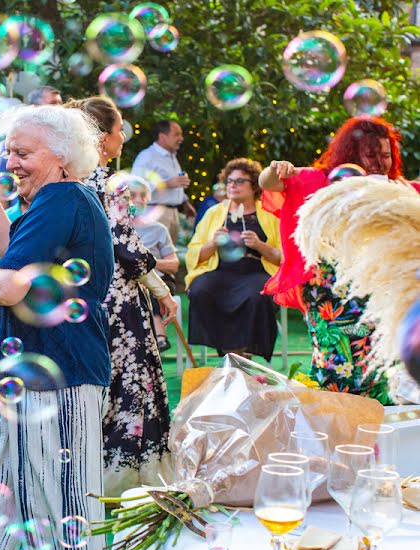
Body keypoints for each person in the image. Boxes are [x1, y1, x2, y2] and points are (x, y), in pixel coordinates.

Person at [0, 104, 112, 550]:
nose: (9, 163)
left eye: (23, 153)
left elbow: (4, 282)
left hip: (57, 376)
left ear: (61, 158)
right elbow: (14, 256)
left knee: (63, 505)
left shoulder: (64, 197)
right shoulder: (52, 202)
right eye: (8, 153)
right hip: (23, 380)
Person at [260, 116, 420, 402]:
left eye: (386, 155)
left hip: (378, 285)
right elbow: (269, 183)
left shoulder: (399, 190)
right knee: (336, 364)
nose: (380, 163)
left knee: (381, 361)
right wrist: (275, 170)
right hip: (329, 288)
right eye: (371, 155)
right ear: (351, 154)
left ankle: (377, 426)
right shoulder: (318, 181)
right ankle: (334, 425)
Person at [68, 96, 175, 495]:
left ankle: (87, 467)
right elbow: (125, 246)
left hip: (82, 294)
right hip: (117, 295)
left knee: (98, 382)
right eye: (119, 130)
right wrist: (162, 291)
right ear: (103, 137)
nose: (123, 138)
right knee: (133, 378)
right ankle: (126, 474)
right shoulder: (108, 183)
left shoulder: (66, 179)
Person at [187, 158, 281, 361]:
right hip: (220, 270)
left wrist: (260, 246)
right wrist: (213, 243)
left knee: (257, 296)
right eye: (229, 181)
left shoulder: (269, 214)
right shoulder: (215, 213)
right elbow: (194, 254)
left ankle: (244, 357)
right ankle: (230, 352)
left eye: (239, 181)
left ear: (254, 185)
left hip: (256, 271)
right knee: (199, 290)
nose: (232, 185)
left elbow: (284, 257)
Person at [128, 178, 179, 353]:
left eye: (143, 195)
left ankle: (159, 336)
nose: (139, 199)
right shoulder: (116, 228)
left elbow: (174, 265)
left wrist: (148, 261)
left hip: (160, 279)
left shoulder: (158, 229)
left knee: (147, 287)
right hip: (129, 281)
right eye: (133, 195)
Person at [131, 119, 191, 245]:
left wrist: (185, 201)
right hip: (154, 213)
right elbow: (135, 186)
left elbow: (175, 183)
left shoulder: (172, 156)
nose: (181, 138)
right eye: (177, 134)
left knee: (169, 255)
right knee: (155, 256)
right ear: (162, 136)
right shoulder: (147, 156)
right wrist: (167, 183)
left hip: (173, 213)